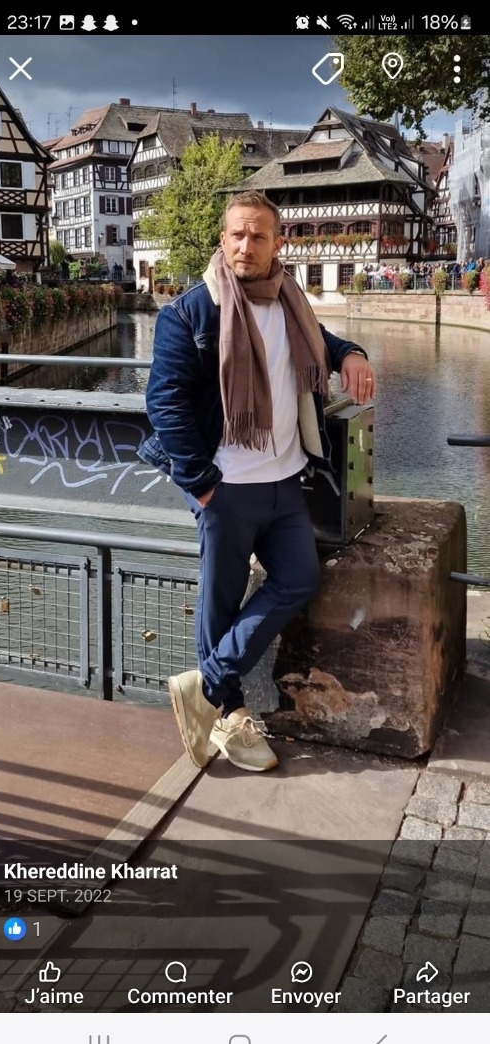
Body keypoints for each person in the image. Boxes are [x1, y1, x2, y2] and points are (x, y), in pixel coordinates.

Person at [139, 191, 376, 774]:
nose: (246, 246)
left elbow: (322, 343)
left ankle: (205, 685)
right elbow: (164, 403)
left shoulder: (291, 299)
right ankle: (230, 714)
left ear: (277, 244)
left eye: (258, 236)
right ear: (223, 240)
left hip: (286, 481)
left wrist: (352, 354)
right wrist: (202, 485)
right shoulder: (191, 312)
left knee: (298, 579)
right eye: (237, 235)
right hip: (227, 487)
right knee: (219, 603)